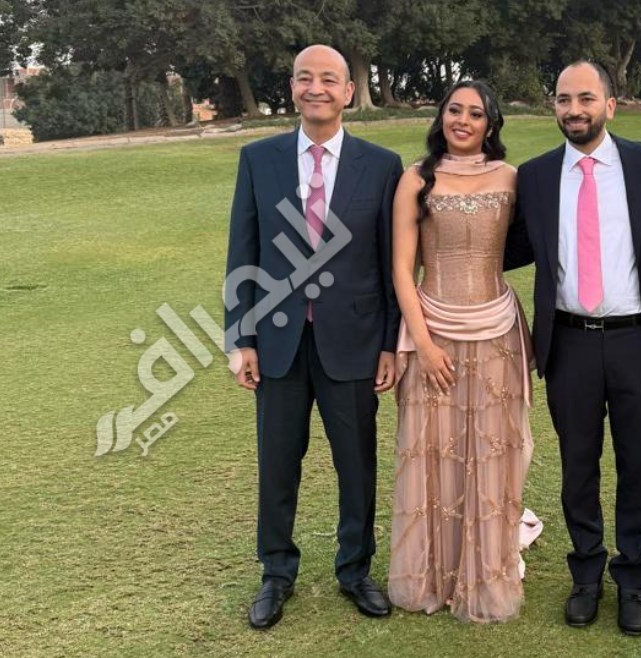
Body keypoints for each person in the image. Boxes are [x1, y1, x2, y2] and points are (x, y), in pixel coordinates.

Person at [224, 44, 403, 629]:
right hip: (277, 344)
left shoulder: (382, 165)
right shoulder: (259, 159)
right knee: (278, 464)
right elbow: (243, 252)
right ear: (293, 87)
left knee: (356, 465)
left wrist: (390, 342)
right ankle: (276, 572)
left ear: (348, 91)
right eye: (305, 78)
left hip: (353, 341)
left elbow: (391, 262)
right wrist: (241, 339)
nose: (316, 88)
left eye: (329, 79)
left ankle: (355, 569)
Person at [504, 61, 641, 636]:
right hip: (569, 342)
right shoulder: (534, 176)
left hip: (636, 340)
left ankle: (632, 579)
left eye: (585, 98)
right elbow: (502, 246)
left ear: (610, 104)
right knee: (577, 464)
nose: (574, 109)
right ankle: (585, 574)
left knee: (637, 463)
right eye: (563, 99)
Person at [387, 80, 535, 623]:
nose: (463, 121)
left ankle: (487, 569)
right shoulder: (415, 178)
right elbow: (402, 269)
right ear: (441, 116)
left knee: (493, 450)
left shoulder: (512, 178)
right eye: (455, 110)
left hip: (498, 331)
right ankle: (433, 572)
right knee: (433, 450)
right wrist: (423, 345)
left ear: (491, 124)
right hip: (435, 331)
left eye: (475, 113)